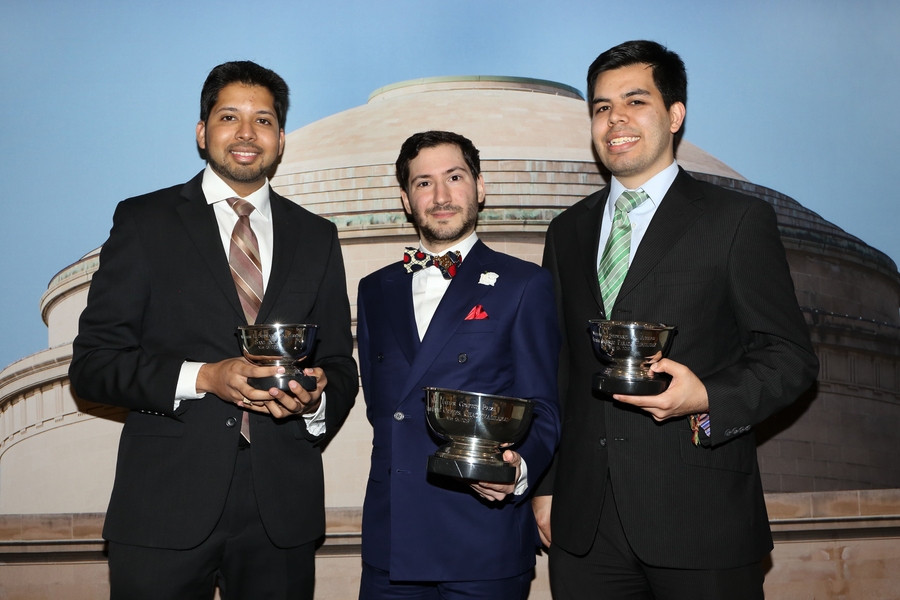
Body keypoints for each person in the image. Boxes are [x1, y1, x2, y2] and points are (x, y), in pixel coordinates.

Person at [532, 41, 819, 599]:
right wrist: (545, 485)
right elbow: (559, 368)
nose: (615, 119)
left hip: (699, 518)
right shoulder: (565, 232)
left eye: (635, 101)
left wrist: (707, 396)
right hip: (584, 526)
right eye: (600, 106)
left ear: (675, 113)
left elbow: (790, 357)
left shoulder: (737, 220)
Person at [69, 61, 358, 600]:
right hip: (163, 504)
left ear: (281, 139)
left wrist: (314, 400)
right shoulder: (145, 221)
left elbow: (340, 364)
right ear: (202, 133)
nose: (247, 133)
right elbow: (93, 366)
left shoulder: (316, 236)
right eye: (230, 117)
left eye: (264, 120)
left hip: (282, 513)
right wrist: (204, 376)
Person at [356, 130, 561, 599]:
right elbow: (383, 411)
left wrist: (516, 474)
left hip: (481, 536)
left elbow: (544, 407)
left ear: (480, 187)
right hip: (392, 542)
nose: (442, 195)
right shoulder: (375, 289)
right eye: (424, 183)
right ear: (406, 199)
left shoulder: (524, 284)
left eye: (454, 177)